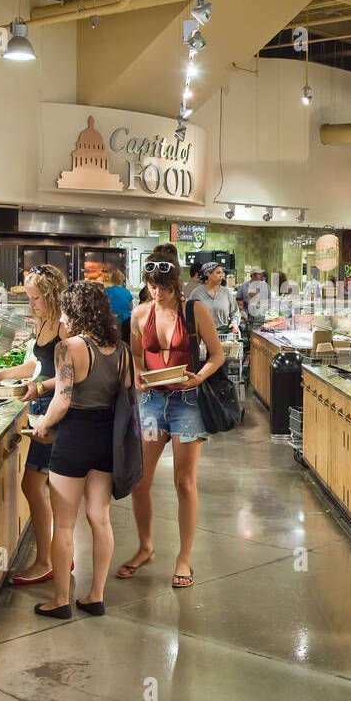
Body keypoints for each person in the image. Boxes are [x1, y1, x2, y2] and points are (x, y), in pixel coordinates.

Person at [121, 252, 225, 589]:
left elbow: (217, 354)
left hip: (187, 402)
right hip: (152, 400)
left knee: (184, 482)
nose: (156, 293)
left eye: (162, 287)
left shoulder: (194, 311)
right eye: (151, 286)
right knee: (141, 480)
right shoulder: (139, 314)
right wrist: (138, 375)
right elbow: (136, 355)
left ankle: (184, 558)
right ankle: (146, 546)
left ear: (174, 283)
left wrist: (199, 377)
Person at [29, 281, 130, 618]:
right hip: (106, 441)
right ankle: (96, 596)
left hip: (73, 438)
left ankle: (60, 600)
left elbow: (63, 398)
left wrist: (43, 423)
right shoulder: (121, 349)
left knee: (66, 525)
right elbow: (127, 397)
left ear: (75, 311)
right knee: (100, 518)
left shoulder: (69, 347)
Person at [0, 264, 68, 586]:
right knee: (43, 486)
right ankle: (58, 556)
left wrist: (41, 390)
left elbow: (67, 376)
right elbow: (38, 364)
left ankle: (47, 560)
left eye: (36, 298)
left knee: (36, 486)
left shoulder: (63, 327)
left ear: (51, 296)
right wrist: (4, 374)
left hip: (54, 412)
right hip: (40, 406)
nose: (31, 304)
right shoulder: (44, 322)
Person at [189, 261, 239, 331]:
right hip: (203, 337)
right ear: (208, 274)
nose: (221, 275)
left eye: (222, 273)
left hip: (224, 336)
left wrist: (234, 323)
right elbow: (189, 314)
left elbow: (235, 312)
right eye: (218, 273)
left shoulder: (226, 292)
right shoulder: (196, 293)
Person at [104, 267, 134, 343]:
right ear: (122, 279)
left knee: (111, 342)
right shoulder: (126, 291)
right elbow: (131, 307)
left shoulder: (106, 291)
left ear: (111, 279)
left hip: (111, 320)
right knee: (125, 341)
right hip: (126, 320)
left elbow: (103, 306)